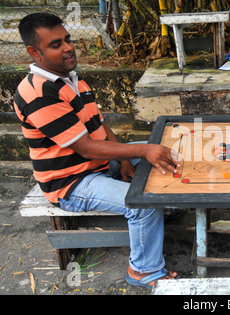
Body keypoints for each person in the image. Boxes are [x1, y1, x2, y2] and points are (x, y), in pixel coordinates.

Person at [14, 12, 180, 289]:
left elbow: (99, 127)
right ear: (34, 52)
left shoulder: (72, 80)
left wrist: (125, 159)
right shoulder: (39, 93)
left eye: (67, 40)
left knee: (165, 155)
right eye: (56, 44)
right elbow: (87, 148)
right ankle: (144, 271)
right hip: (69, 181)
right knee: (143, 202)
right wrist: (140, 151)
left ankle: (168, 208)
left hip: (98, 165)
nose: (68, 47)